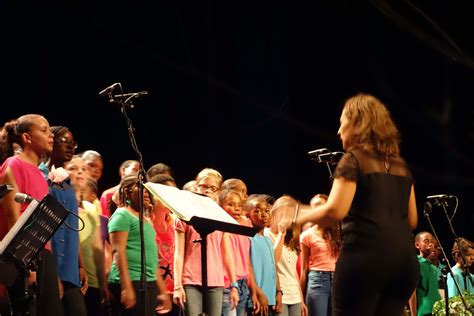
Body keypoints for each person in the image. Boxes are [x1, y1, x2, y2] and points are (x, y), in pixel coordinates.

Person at [272, 93, 420, 315]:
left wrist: (296, 214)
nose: (339, 131)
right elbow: (412, 220)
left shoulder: (354, 158)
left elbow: (334, 211)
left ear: (358, 124)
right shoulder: (401, 165)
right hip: (404, 264)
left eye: (342, 123)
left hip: (365, 261)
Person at [0, 114, 63, 315]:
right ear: (27, 138)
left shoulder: (39, 173)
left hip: (41, 254)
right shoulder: (12, 165)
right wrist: (27, 265)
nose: (50, 135)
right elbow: (13, 217)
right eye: (44, 130)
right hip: (22, 257)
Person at [173, 168, 238, 316]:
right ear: (196, 187)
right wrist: (177, 286)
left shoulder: (220, 216)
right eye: (203, 186)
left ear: (218, 192)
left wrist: (234, 285)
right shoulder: (183, 215)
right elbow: (178, 253)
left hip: (215, 281)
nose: (207, 190)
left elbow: (227, 254)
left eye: (212, 188)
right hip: (190, 280)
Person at [39, 126, 88, 315]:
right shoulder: (41, 177)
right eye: (65, 142)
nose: (71, 147)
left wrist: (80, 265)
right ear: (51, 142)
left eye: (73, 143)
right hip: (51, 266)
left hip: (69, 267)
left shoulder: (67, 185)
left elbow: (73, 227)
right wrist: (54, 275)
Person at [107, 174, 171, 315]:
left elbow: (152, 261)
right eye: (141, 188)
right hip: (130, 280)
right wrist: (126, 287)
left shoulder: (147, 221)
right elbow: (118, 251)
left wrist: (162, 291)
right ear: (127, 192)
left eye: (148, 189)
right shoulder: (122, 215)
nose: (146, 192)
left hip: (148, 282)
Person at [66, 156, 108, 316]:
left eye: (83, 169)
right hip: (72, 277)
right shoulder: (61, 203)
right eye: (73, 168)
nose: (80, 173)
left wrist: (102, 281)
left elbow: (97, 247)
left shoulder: (91, 209)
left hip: (93, 280)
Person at [265, 195, 306, 316]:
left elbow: (293, 272)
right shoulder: (266, 234)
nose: (285, 217)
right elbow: (272, 261)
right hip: (278, 293)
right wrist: (281, 235)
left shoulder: (291, 238)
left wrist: (302, 299)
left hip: (294, 295)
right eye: (282, 213)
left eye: (289, 214)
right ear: (274, 212)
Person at [299, 194, 340, 316]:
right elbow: (304, 268)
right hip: (318, 280)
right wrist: (301, 298)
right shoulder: (307, 235)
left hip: (337, 280)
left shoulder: (338, 233)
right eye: (315, 207)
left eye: (321, 206)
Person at [245, 194, 282, 315]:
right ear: (248, 215)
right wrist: (259, 293)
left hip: (270, 299)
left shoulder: (268, 240)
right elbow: (247, 270)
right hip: (256, 299)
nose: (264, 214)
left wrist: (278, 292)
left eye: (266, 211)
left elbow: (273, 268)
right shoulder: (248, 239)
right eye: (257, 211)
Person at [410, 231, 441, 315]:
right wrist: (413, 314)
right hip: (423, 312)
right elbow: (412, 292)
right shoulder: (416, 263)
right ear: (417, 245)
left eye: (432, 241)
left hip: (437, 311)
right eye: (426, 241)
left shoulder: (433, 267)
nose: (430, 244)